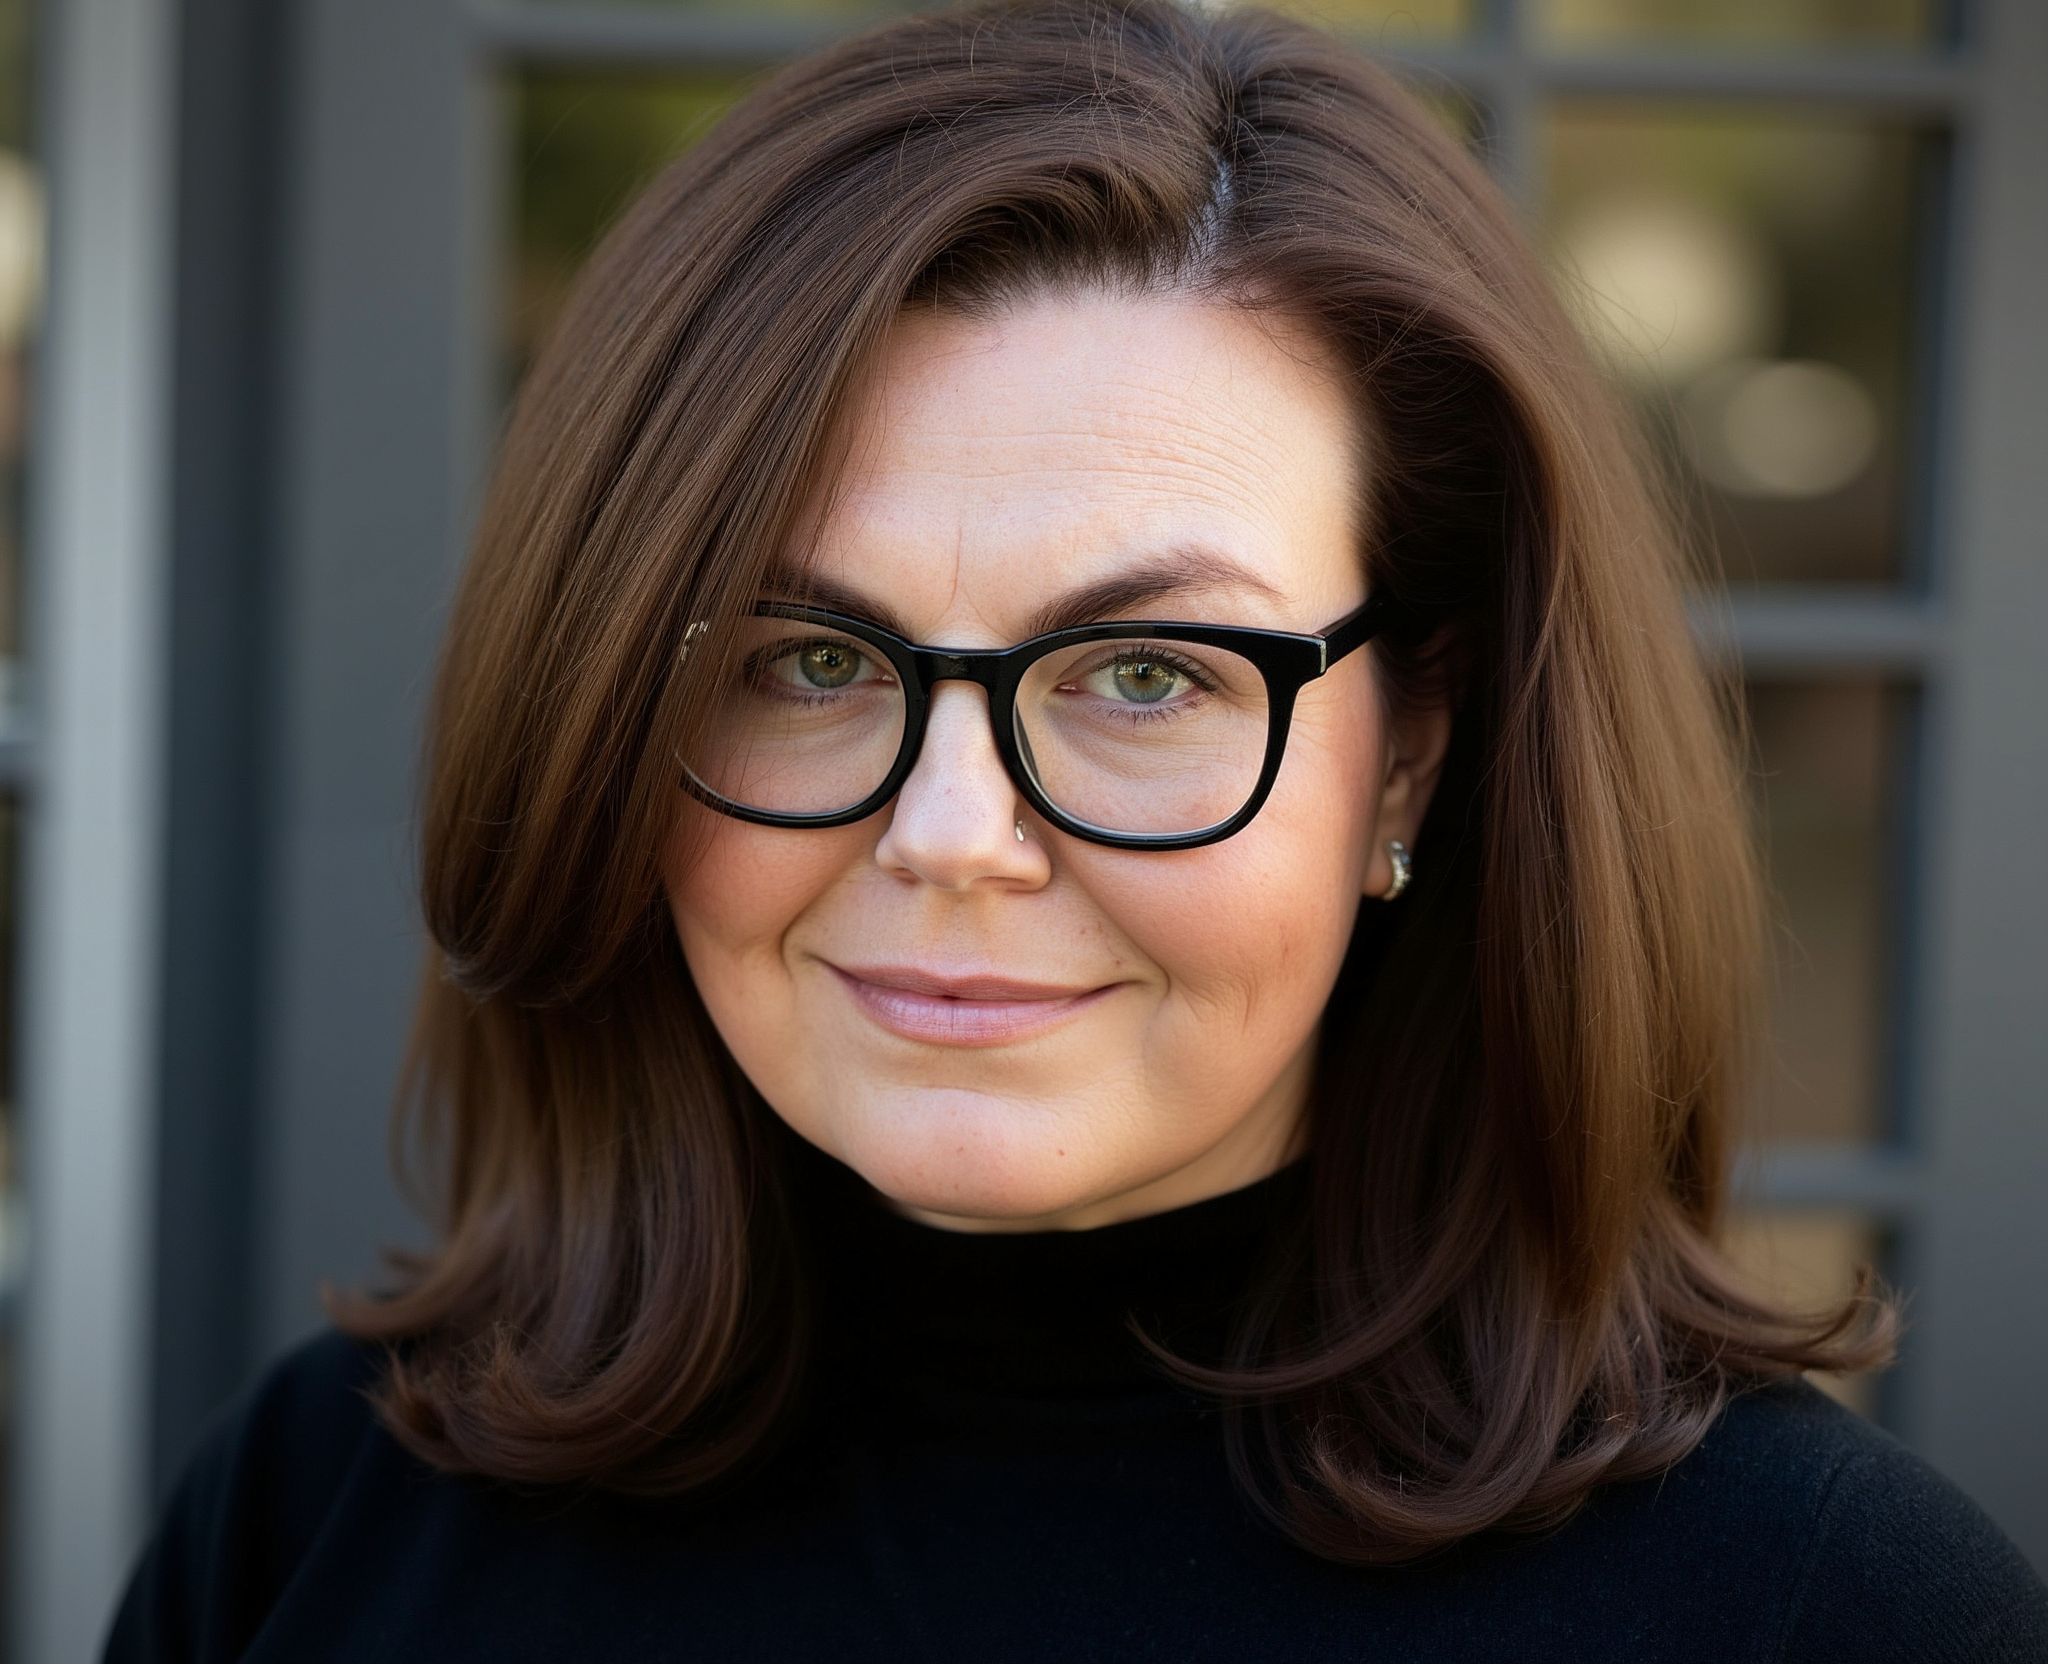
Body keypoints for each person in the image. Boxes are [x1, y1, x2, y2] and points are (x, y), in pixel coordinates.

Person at [108, 1, 2048, 1658]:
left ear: (1411, 748)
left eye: (1144, 678)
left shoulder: (1824, 1611)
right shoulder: (316, 1520)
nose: (953, 836)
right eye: (804, 659)